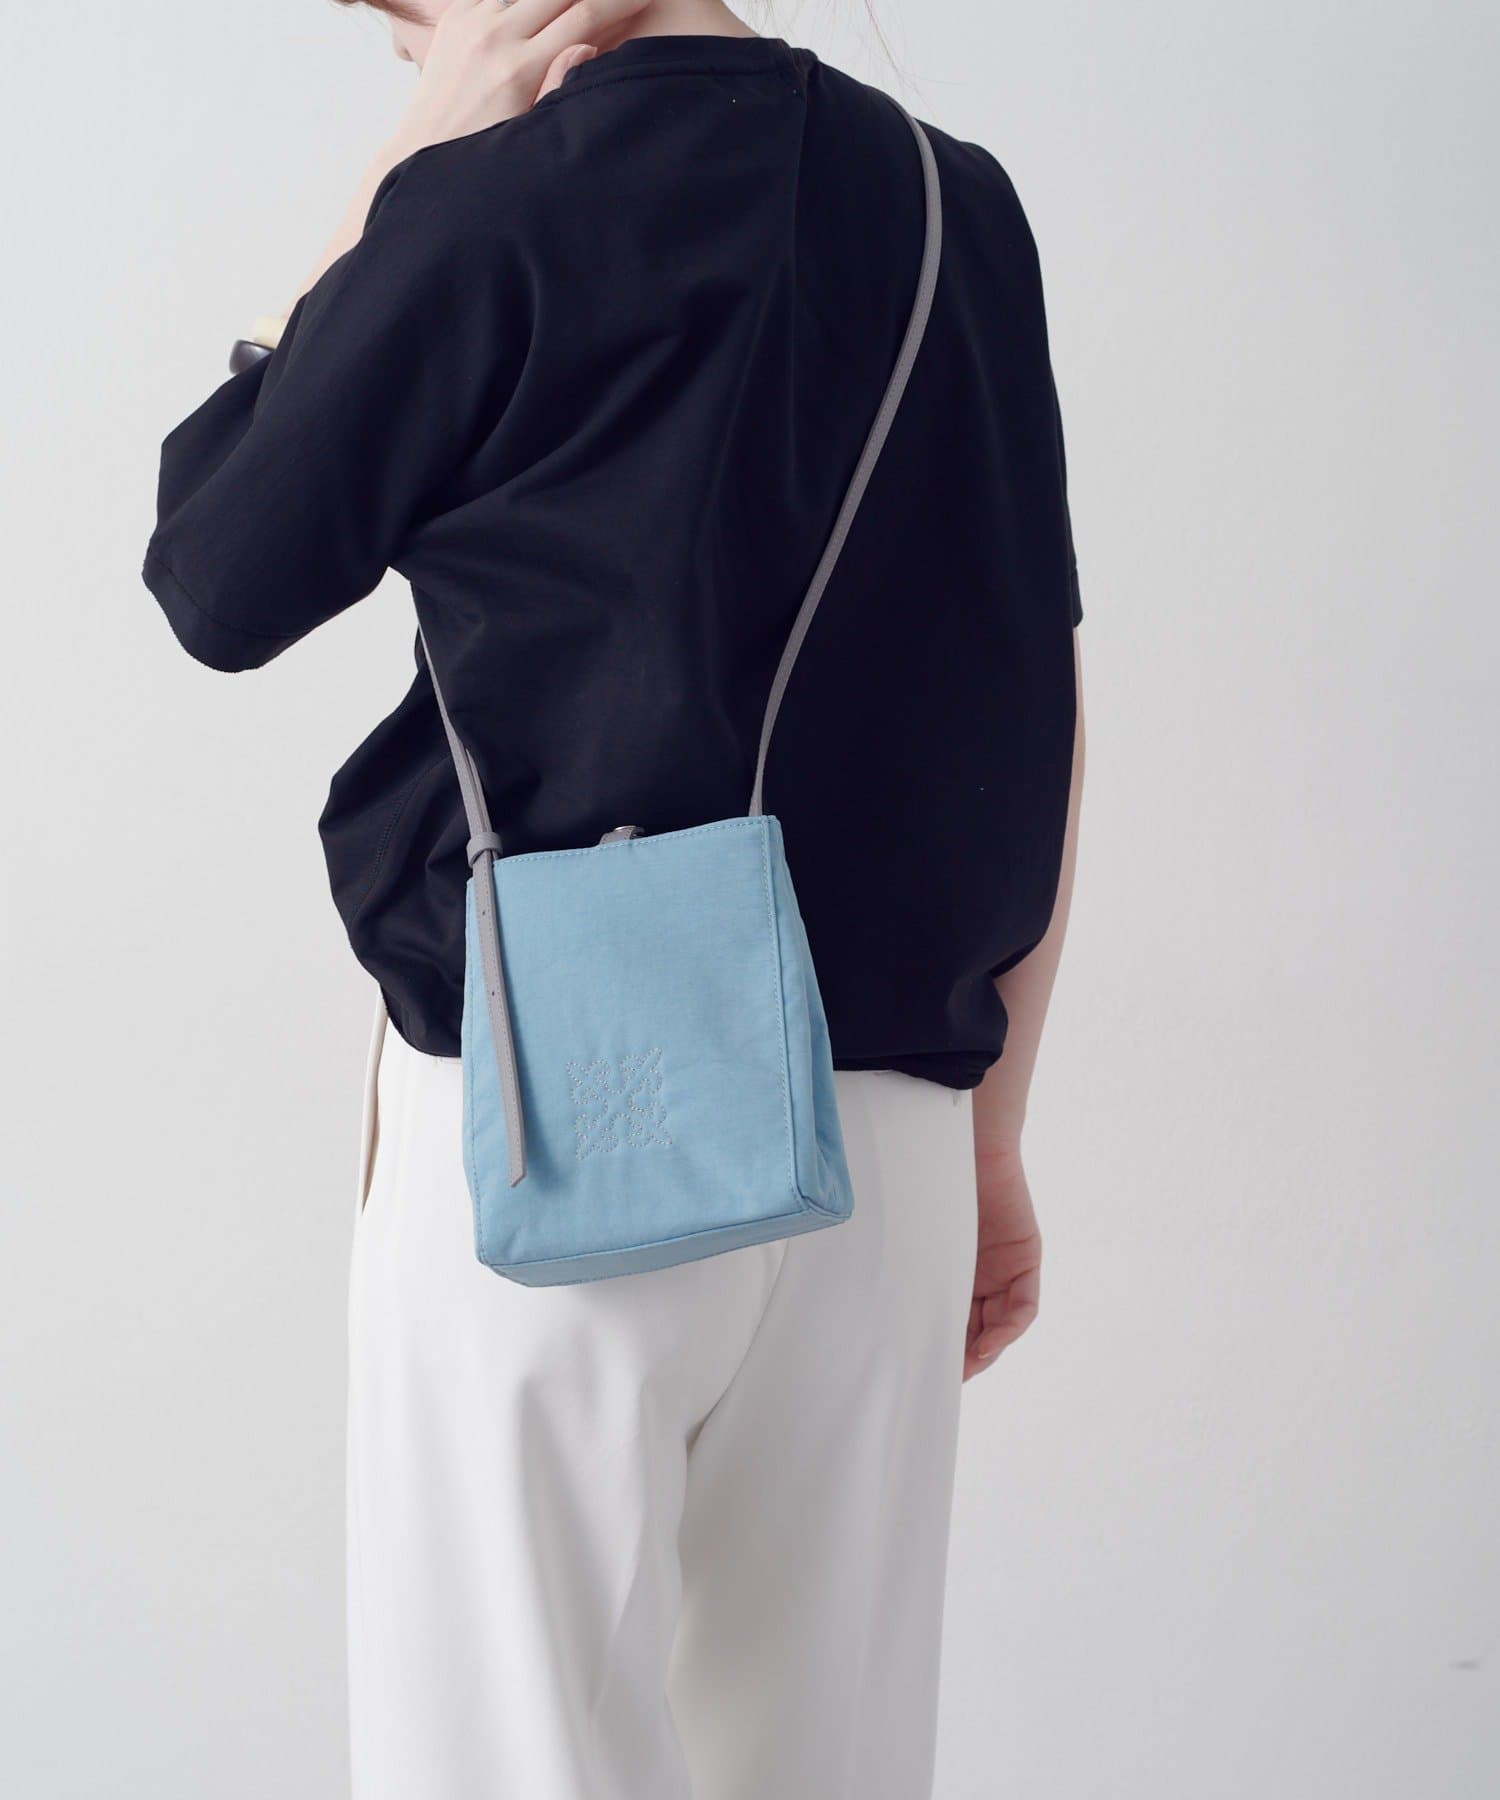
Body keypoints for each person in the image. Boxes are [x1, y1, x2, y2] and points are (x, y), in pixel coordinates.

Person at [142, 0, 1084, 1793]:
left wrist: (412, 153)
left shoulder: (484, 199)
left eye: (410, 27)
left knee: (501, 1757)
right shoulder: (954, 201)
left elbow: (217, 566)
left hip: (559, 1107)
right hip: (884, 1145)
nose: (415, 53)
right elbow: (1038, 695)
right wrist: (989, 1134)